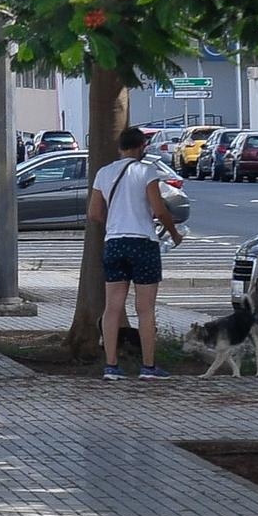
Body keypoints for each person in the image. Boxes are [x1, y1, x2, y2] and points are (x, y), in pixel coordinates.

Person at [87, 125, 184, 380]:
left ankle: (110, 366)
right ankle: (148, 367)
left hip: (115, 242)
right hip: (143, 243)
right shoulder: (146, 171)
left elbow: (94, 213)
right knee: (145, 308)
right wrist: (174, 233)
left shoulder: (104, 173)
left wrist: (115, 221)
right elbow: (159, 209)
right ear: (141, 146)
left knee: (112, 308)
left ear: (120, 147)